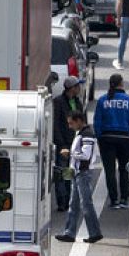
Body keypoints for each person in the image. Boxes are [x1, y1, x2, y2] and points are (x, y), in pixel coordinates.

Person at [92, 73, 129, 209]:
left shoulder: (102, 100)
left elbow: (97, 121)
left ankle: (114, 200)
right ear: (121, 83)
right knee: (124, 169)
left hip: (107, 139)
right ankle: (124, 198)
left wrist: (100, 137)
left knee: (110, 170)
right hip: (125, 139)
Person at [56, 111, 103, 244]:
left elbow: (86, 156)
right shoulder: (82, 133)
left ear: (79, 121)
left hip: (83, 173)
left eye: (71, 123)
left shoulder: (87, 134)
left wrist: (70, 153)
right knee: (74, 204)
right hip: (78, 172)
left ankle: (94, 233)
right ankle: (69, 233)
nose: (70, 126)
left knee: (85, 203)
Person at [51, 76, 84, 212]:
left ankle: (69, 200)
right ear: (71, 88)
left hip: (74, 142)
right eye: (77, 86)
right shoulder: (58, 102)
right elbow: (56, 124)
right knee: (62, 172)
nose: (79, 88)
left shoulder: (77, 102)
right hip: (63, 143)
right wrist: (61, 143)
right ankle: (62, 202)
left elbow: (82, 122)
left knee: (70, 172)